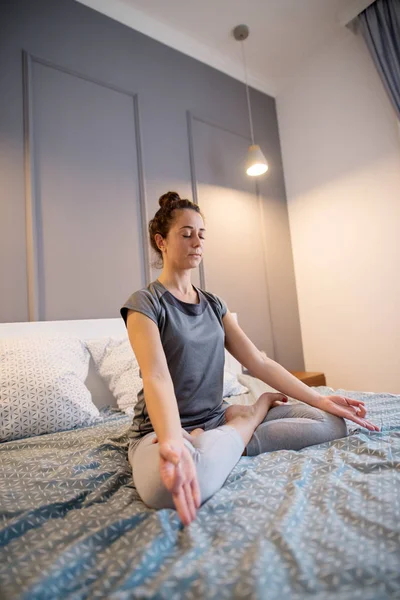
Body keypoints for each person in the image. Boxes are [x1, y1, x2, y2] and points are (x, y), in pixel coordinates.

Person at [120, 191, 379, 527]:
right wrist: (172, 440)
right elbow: (156, 377)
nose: (197, 242)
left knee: (331, 423)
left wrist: (321, 399)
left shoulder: (214, 304)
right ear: (162, 241)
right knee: (165, 490)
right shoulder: (145, 303)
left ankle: (230, 433)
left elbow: (258, 361)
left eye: (201, 234)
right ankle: (250, 418)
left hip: (216, 418)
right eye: (186, 234)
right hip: (160, 430)